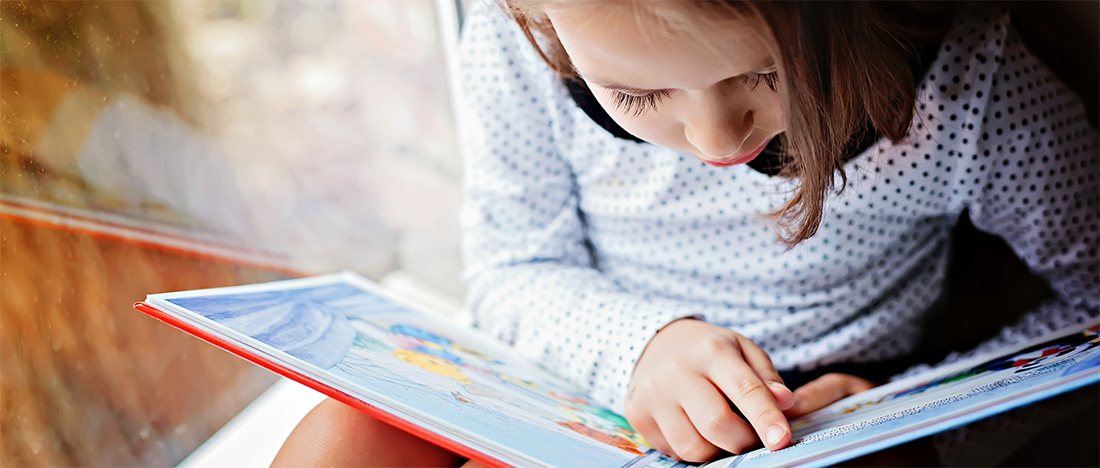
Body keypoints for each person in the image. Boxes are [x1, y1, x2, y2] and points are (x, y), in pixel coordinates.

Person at [274, 0, 1098, 465]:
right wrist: (643, 347)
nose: (714, 139)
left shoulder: (971, 93)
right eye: (635, 96)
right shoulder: (521, 33)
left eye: (769, 77)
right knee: (343, 437)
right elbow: (513, 264)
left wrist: (909, 405)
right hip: (591, 379)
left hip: (817, 418)